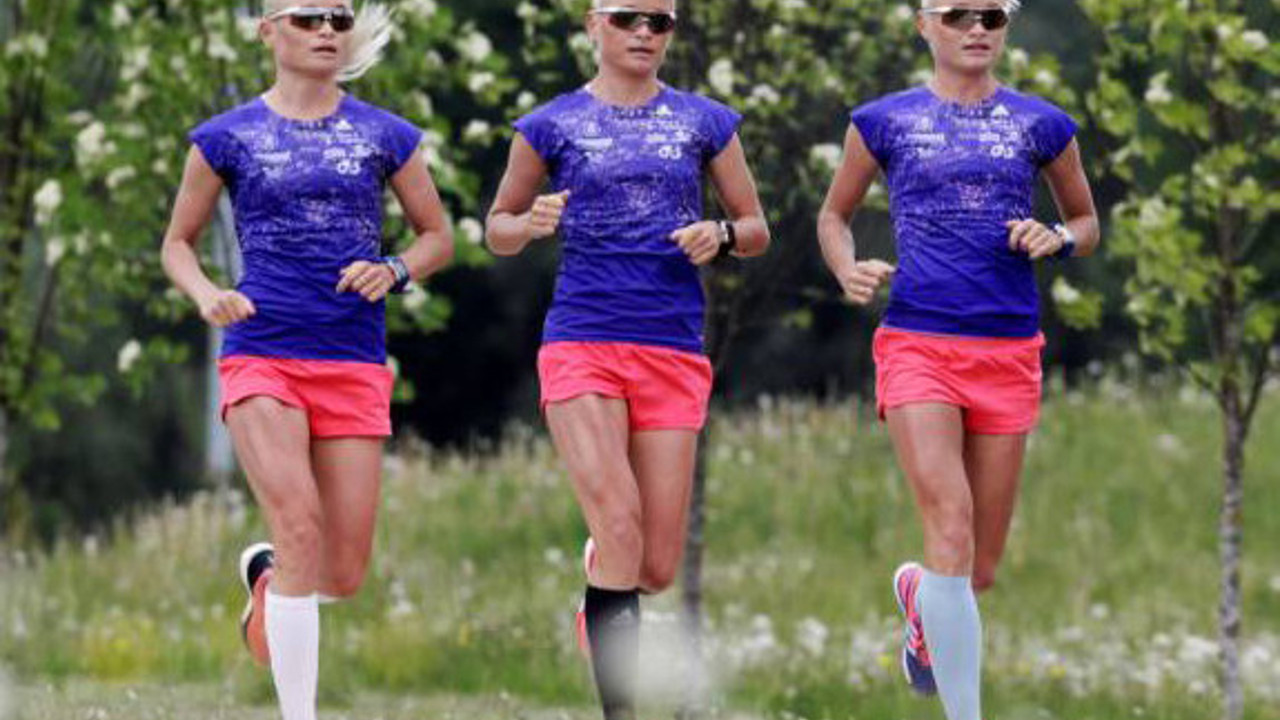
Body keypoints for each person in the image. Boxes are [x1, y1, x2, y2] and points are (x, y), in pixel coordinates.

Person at [159, 3, 453, 719]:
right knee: (298, 528)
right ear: (269, 31)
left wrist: (395, 270)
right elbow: (177, 244)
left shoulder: (385, 134)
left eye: (339, 19)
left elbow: (436, 237)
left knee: (340, 573)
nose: (327, 30)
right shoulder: (225, 137)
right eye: (308, 17)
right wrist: (207, 294)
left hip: (352, 360)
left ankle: (268, 579)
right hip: (263, 353)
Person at [485, 1, 770, 717]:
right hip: (582, 342)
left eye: (659, 21)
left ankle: (600, 583)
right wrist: (529, 223)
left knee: (654, 566)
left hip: (671, 347)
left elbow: (756, 227)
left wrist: (721, 234)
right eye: (626, 18)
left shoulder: (706, 122)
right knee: (619, 525)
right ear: (594, 24)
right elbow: (497, 229)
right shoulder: (550, 125)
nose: (644, 32)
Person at [816, 2, 1100, 718]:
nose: (976, 28)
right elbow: (833, 216)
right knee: (950, 523)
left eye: (992, 16)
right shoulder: (882, 121)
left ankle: (921, 597)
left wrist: (1058, 238)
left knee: (977, 568)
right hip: (918, 344)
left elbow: (1087, 222)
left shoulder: (1042, 124)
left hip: (1008, 350)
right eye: (957, 15)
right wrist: (847, 268)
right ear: (924, 25)